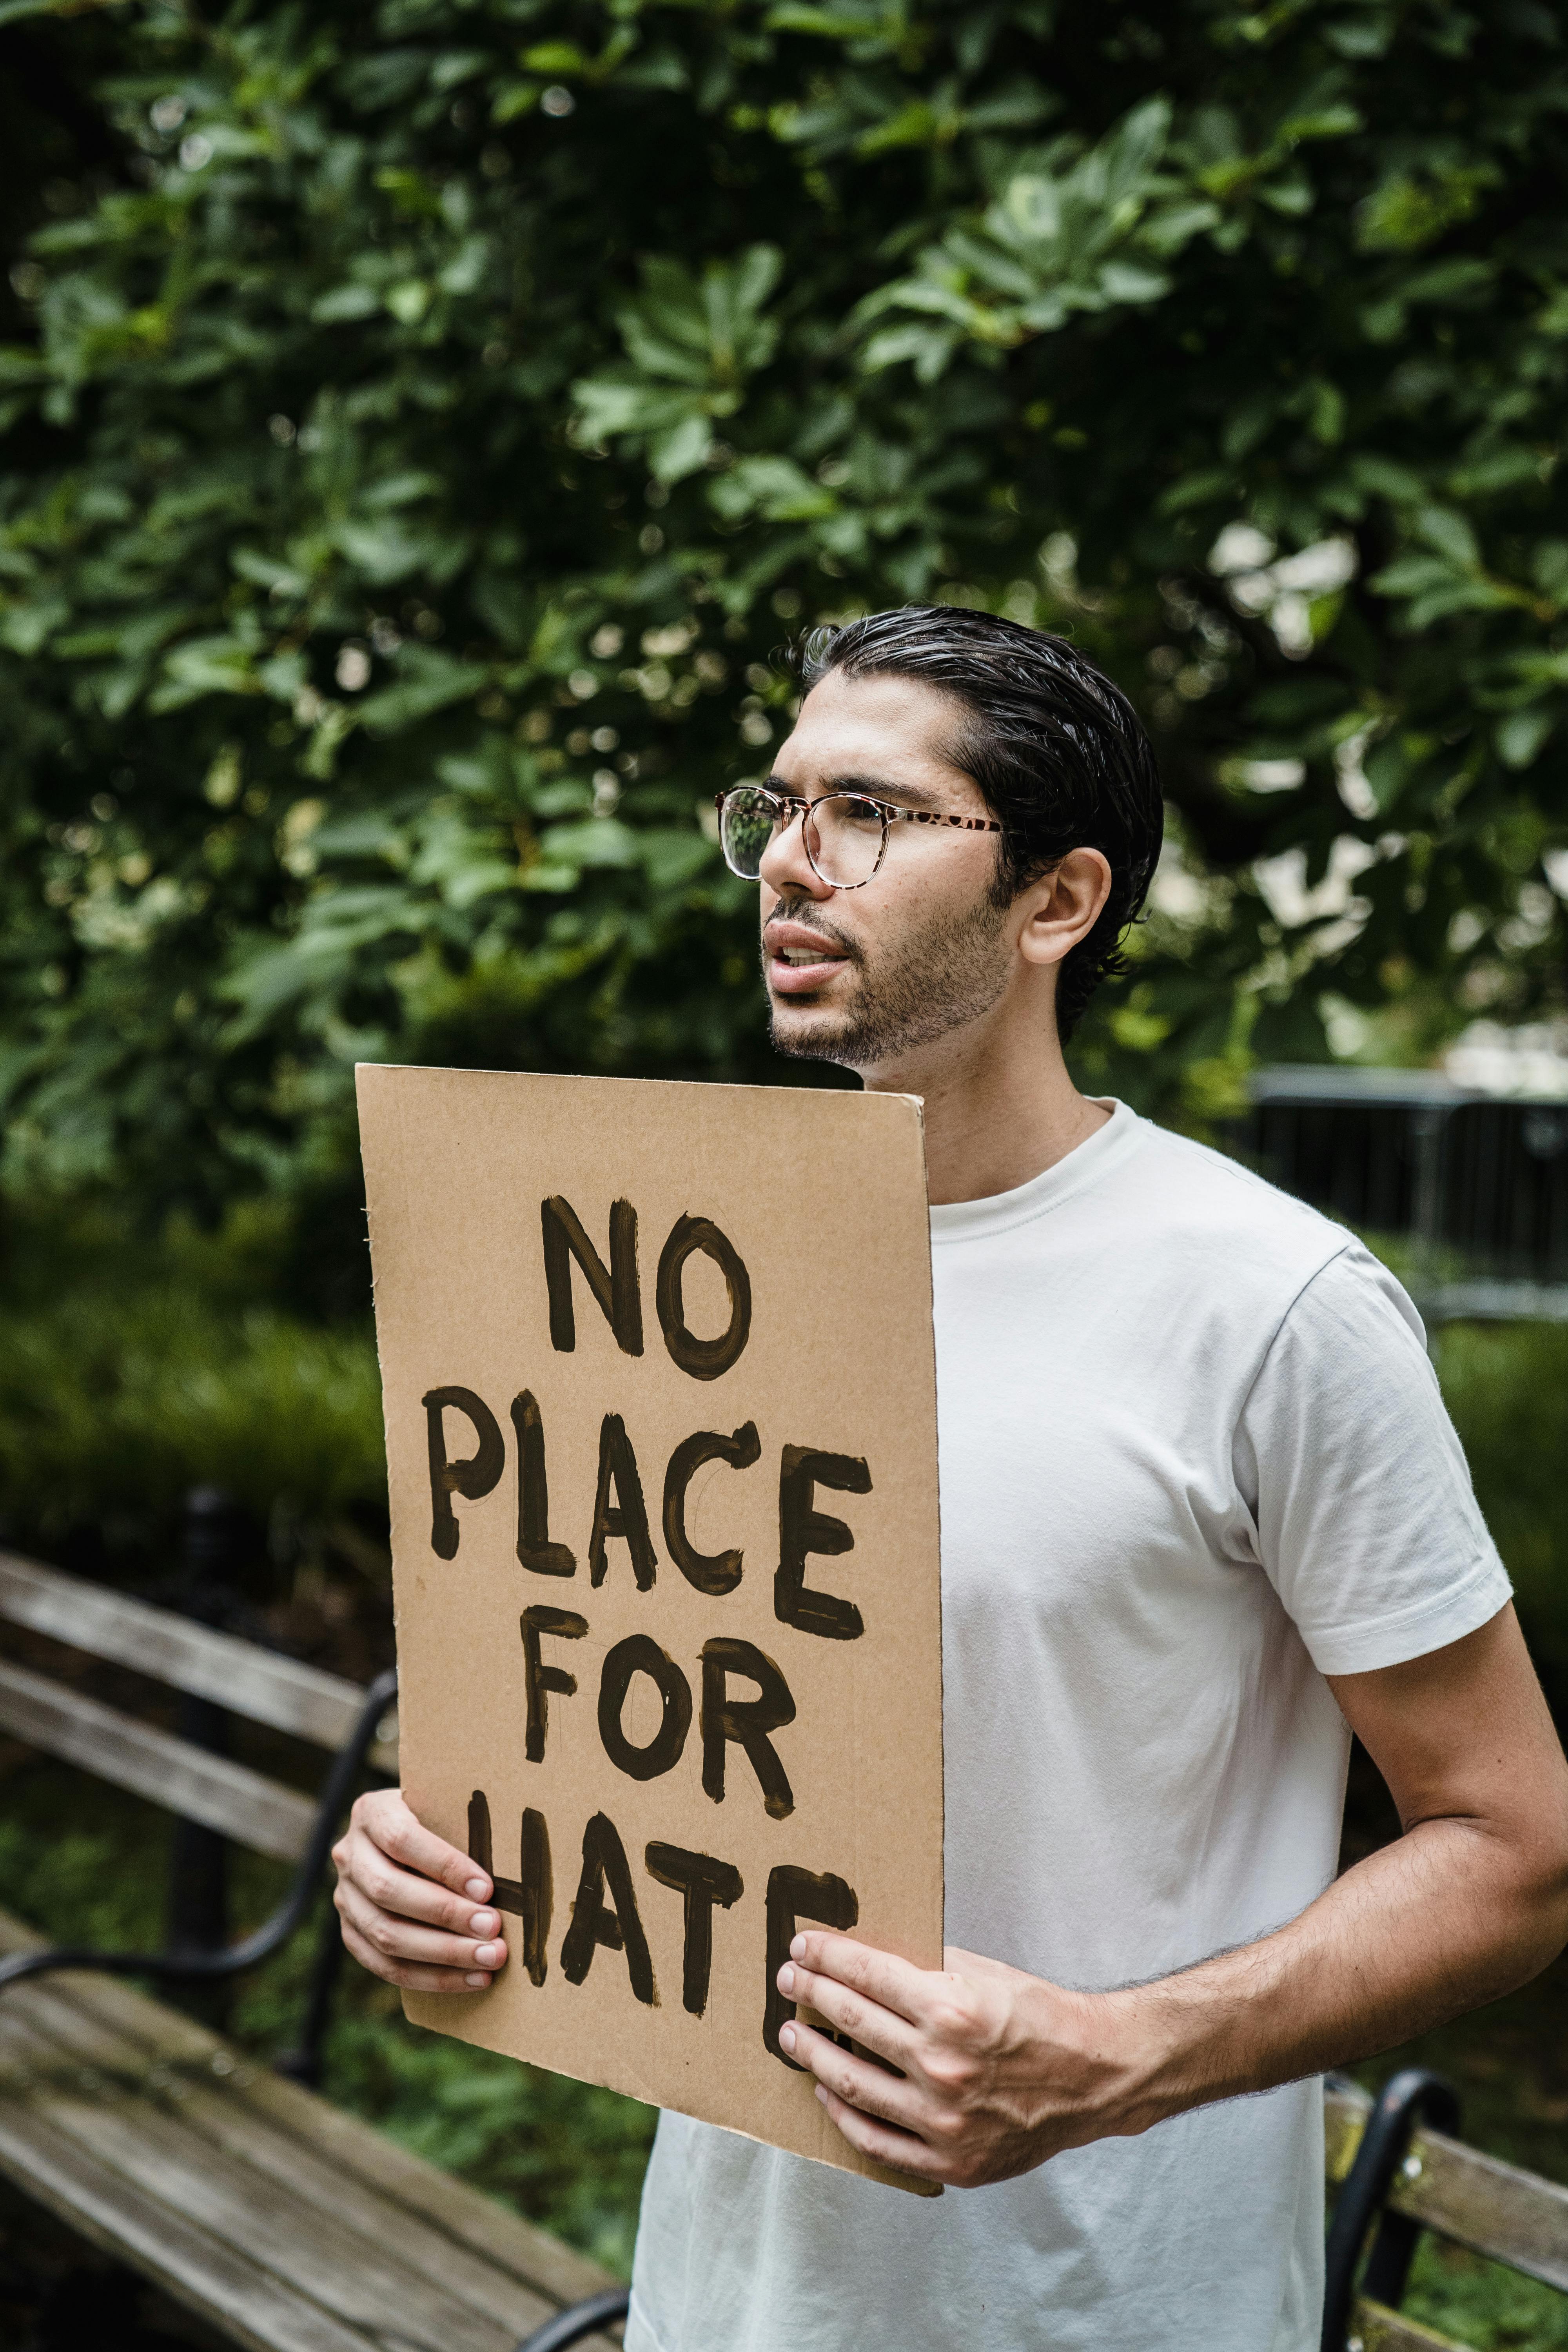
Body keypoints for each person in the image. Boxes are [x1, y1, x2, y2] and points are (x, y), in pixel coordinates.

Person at [332, 606, 1568, 2352]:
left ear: (1056, 900)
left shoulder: (1271, 1304)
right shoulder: (675, 1273)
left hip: (1111, 2311)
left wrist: (1118, 2056)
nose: (788, 864)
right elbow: (657, 1759)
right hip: (724, 2303)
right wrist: (443, 1871)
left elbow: (1517, 1850)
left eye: (872, 814)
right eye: (774, 810)